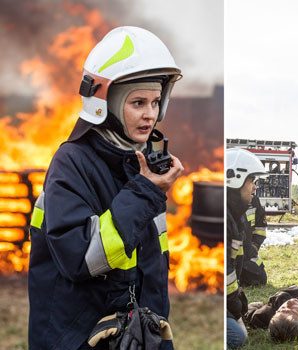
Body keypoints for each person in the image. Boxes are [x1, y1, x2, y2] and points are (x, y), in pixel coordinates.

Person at [27, 26, 184, 349]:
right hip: (79, 339)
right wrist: (144, 192)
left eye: (156, 102)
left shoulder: (144, 163)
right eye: (138, 102)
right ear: (105, 103)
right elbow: (80, 256)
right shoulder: (71, 163)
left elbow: (151, 269)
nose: (150, 115)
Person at [226, 148, 268, 348]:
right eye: (253, 181)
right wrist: (237, 315)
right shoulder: (224, 219)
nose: (255, 187)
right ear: (235, 179)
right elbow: (226, 276)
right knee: (237, 337)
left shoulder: (234, 215)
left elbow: (232, 273)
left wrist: (239, 308)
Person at [239, 193, 268, 286]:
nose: (255, 187)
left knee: (260, 278)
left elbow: (260, 229)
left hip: (247, 253)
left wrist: (254, 246)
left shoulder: (254, 201)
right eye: (252, 182)